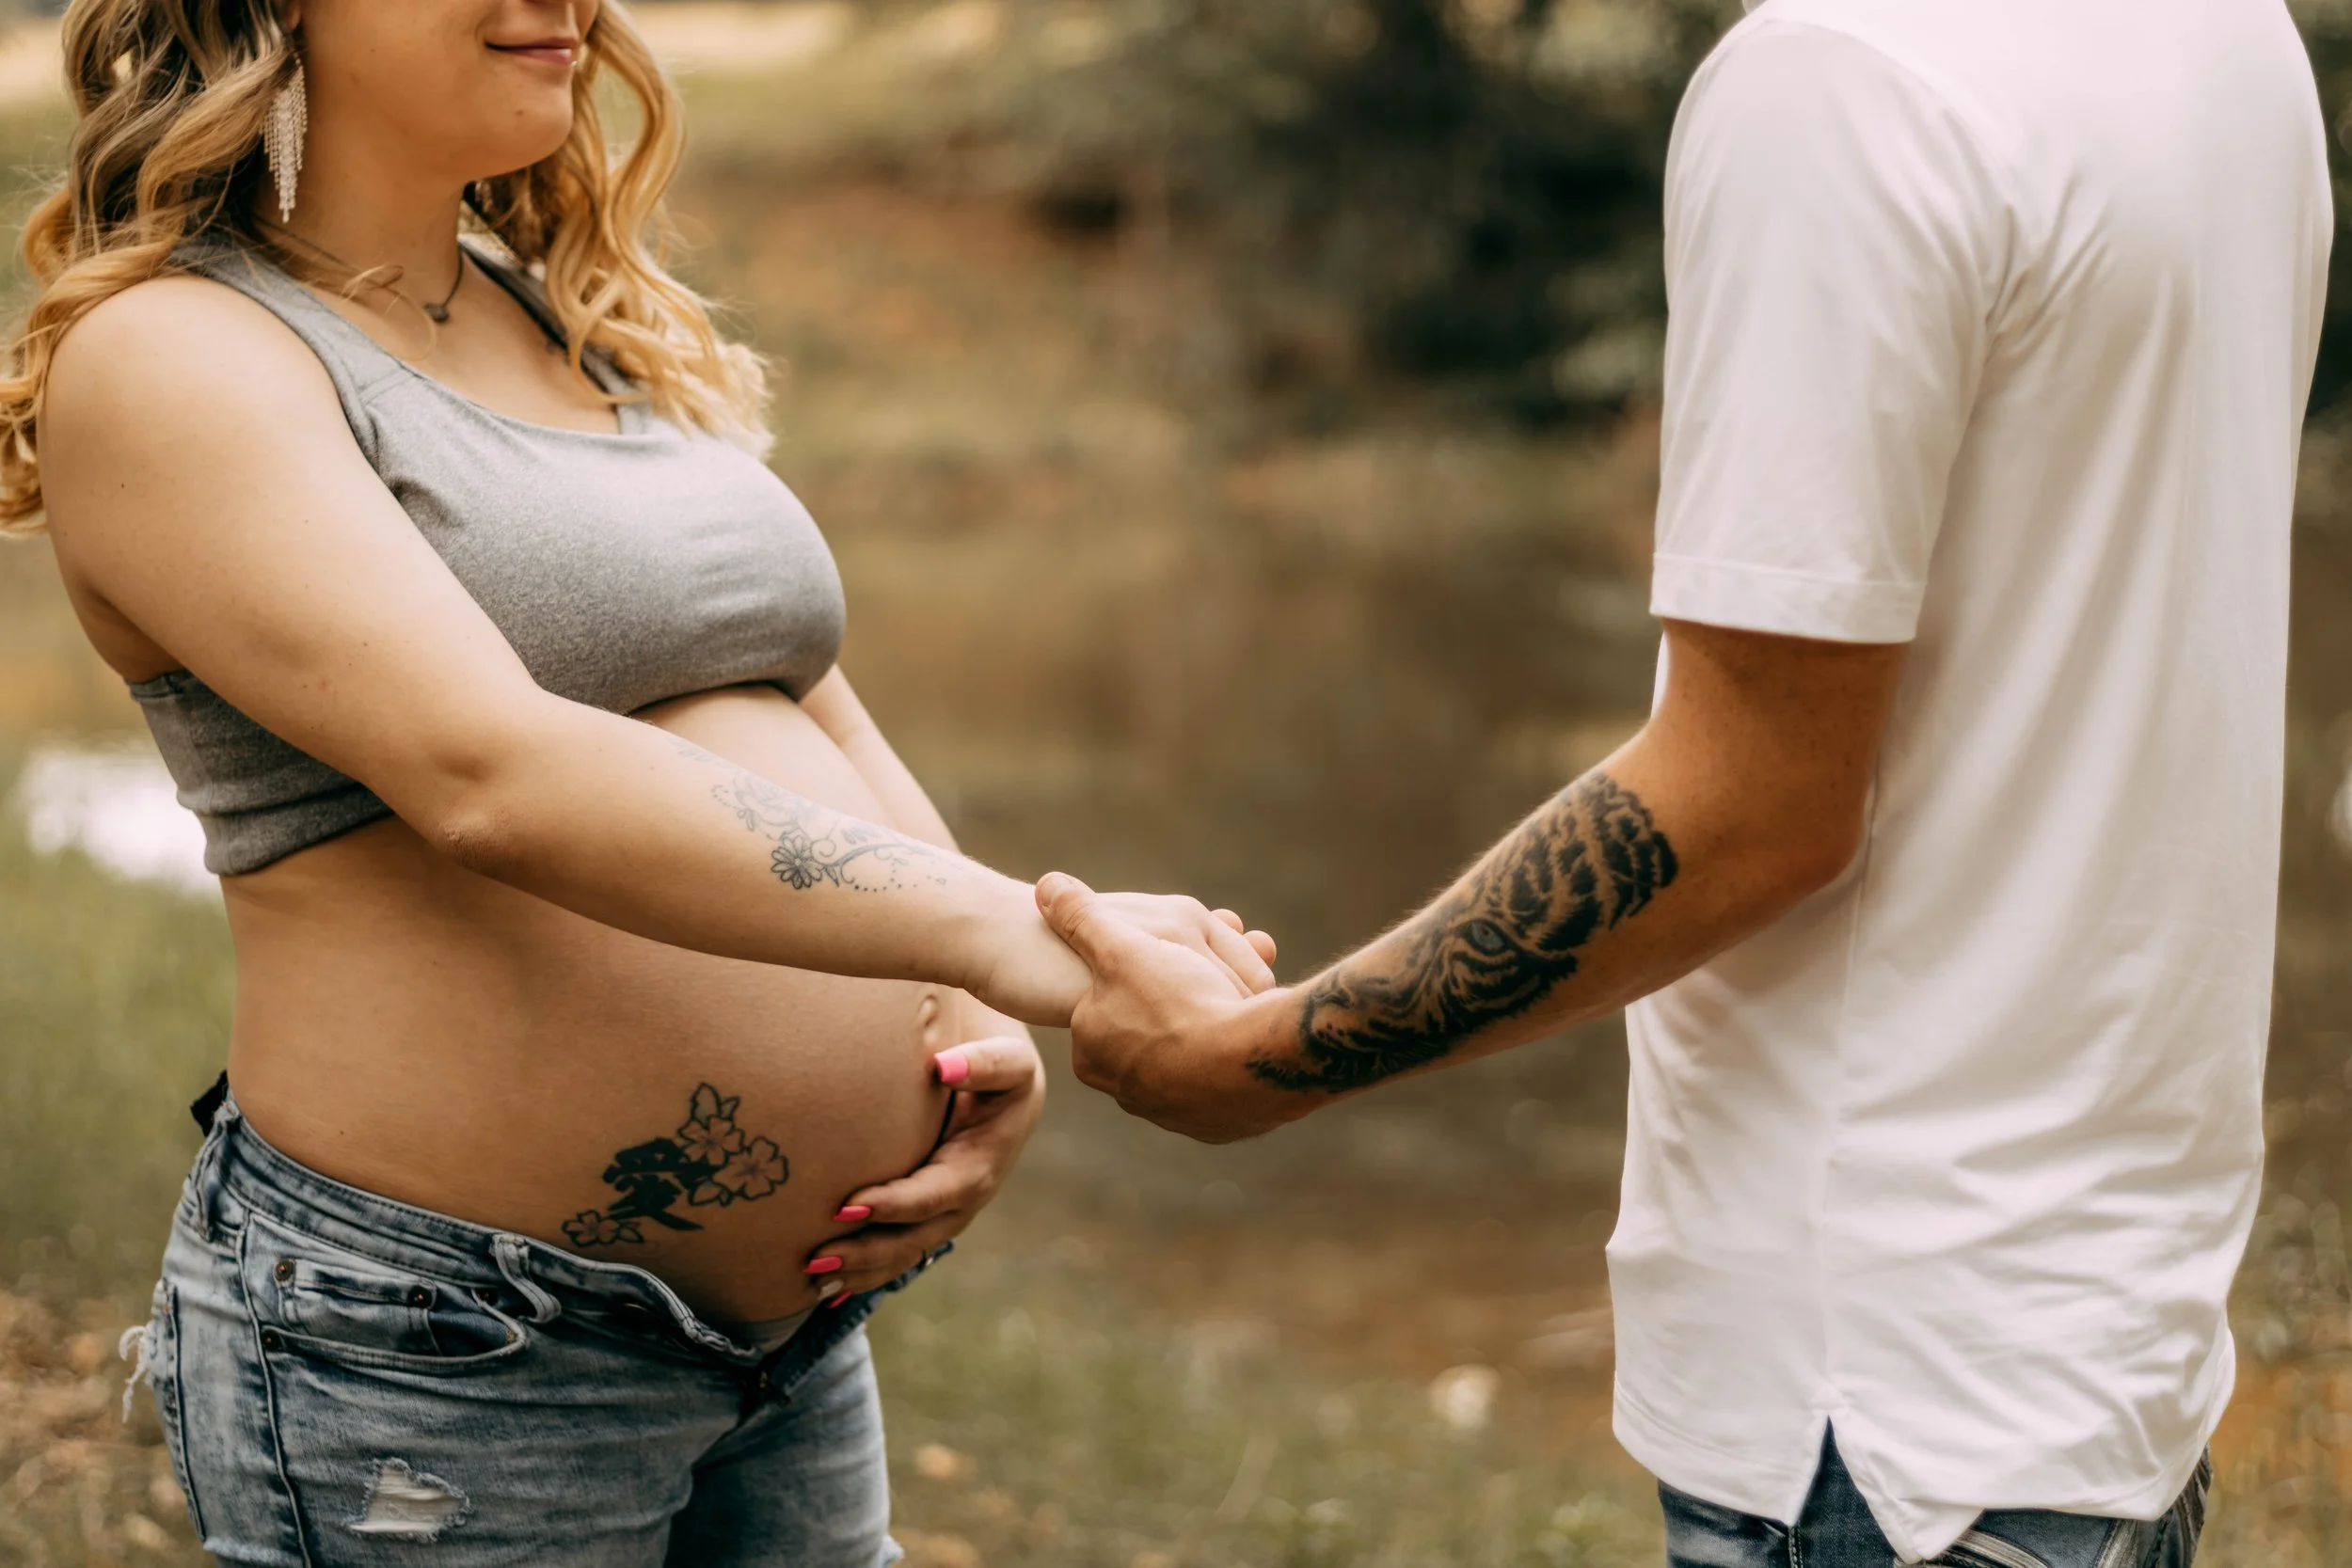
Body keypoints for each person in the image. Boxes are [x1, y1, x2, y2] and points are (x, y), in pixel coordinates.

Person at [1040, 0, 2331, 1563]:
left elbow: (1754, 800)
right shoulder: (2221, 33)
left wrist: (1267, 1053)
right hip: (2101, 1351)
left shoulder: (1841, 81)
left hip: (1879, 1414)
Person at [6, 2, 1274, 1563]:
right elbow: (494, 770)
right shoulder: (172, 357)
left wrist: (971, 1019)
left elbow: (800, 689)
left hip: (787, 1340)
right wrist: (1032, 939)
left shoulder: (561, 314)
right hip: (445, 1348)